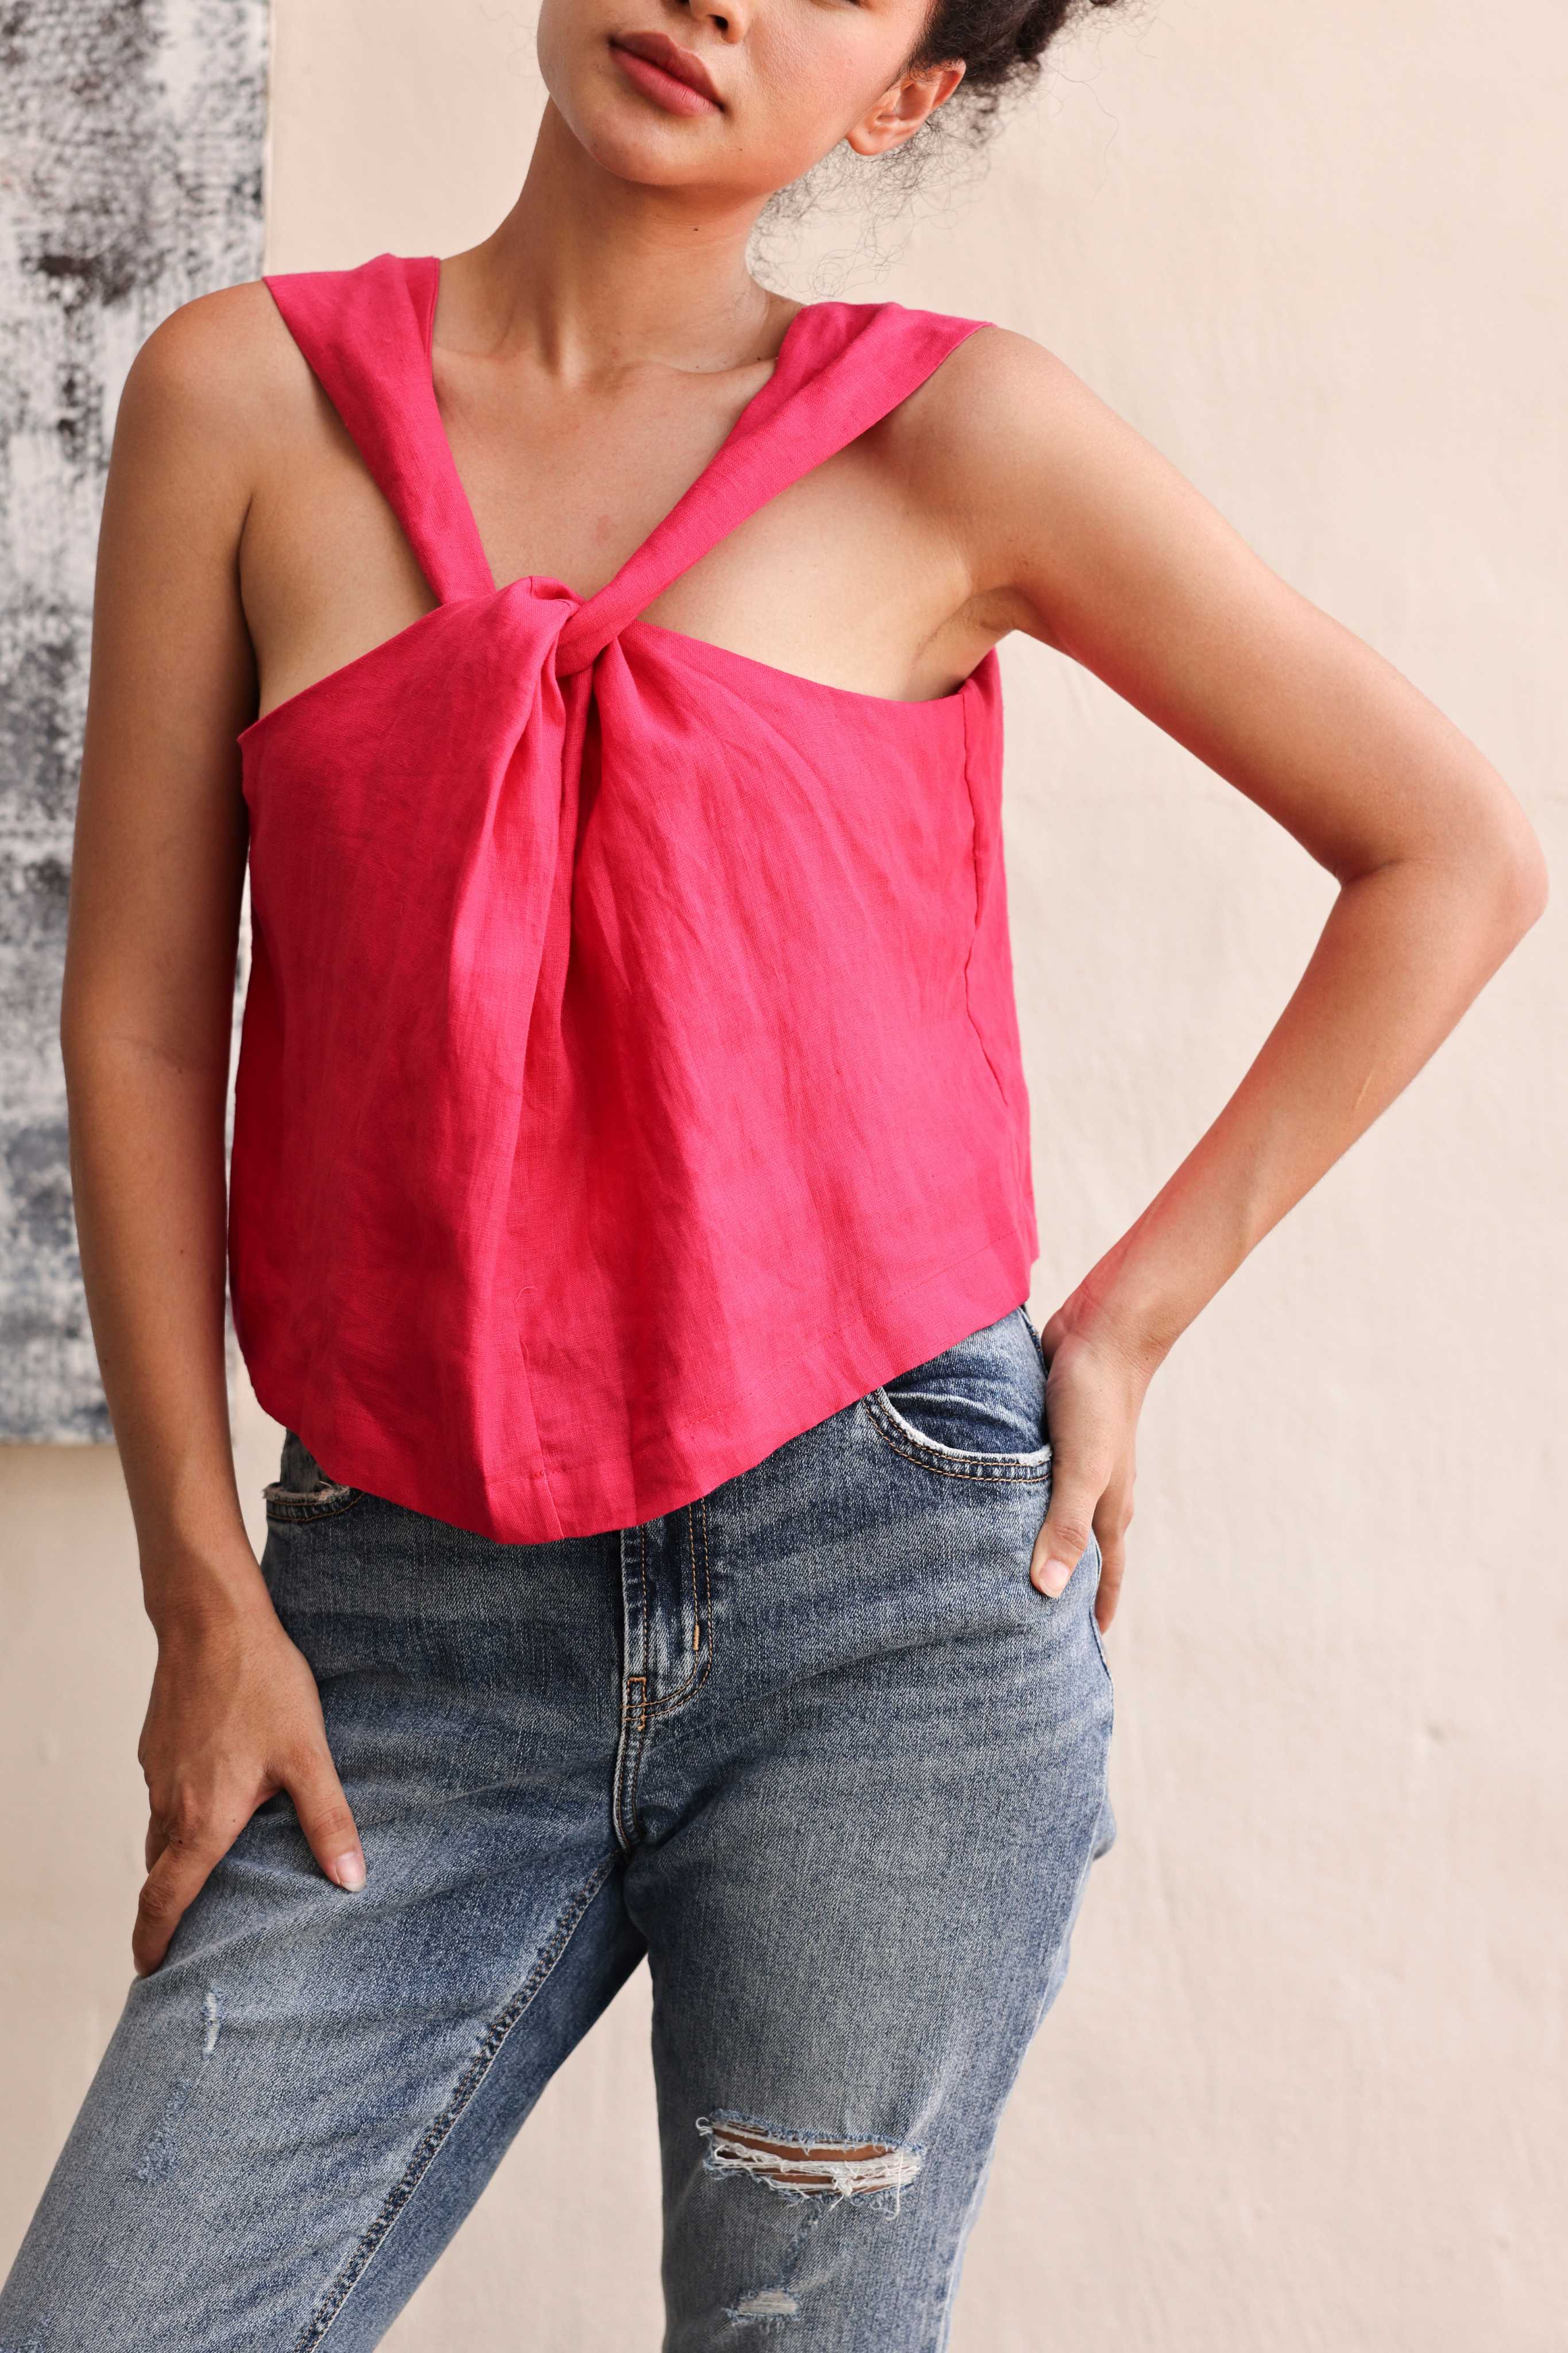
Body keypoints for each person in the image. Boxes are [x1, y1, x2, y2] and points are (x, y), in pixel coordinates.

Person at [1, 0, 1546, 2342]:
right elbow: (131, 1013)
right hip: (393, 1621)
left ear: (910, 88)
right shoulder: (240, 396)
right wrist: (202, 1594)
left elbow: (1444, 849)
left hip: (882, 1611)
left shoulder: (957, 433)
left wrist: (1118, 1321)